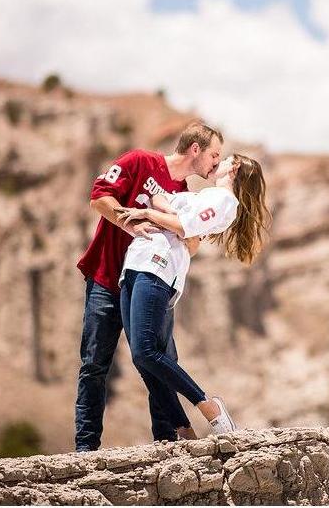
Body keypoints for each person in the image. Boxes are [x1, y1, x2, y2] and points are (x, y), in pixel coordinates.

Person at [74, 122, 223, 452]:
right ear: (195, 149)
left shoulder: (184, 195)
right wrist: (131, 222)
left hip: (150, 282)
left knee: (157, 359)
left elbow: (193, 244)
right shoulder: (139, 161)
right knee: (94, 363)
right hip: (106, 278)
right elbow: (99, 197)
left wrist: (178, 226)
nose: (217, 163)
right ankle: (85, 450)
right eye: (214, 154)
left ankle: (167, 441)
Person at [116, 153, 271, 434]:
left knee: (146, 351)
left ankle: (208, 406)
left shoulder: (225, 202)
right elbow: (159, 200)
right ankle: (183, 430)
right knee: (141, 358)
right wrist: (171, 217)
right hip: (136, 263)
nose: (216, 162)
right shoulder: (203, 196)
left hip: (159, 267)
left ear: (234, 168)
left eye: (224, 159)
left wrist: (155, 216)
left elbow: (184, 227)